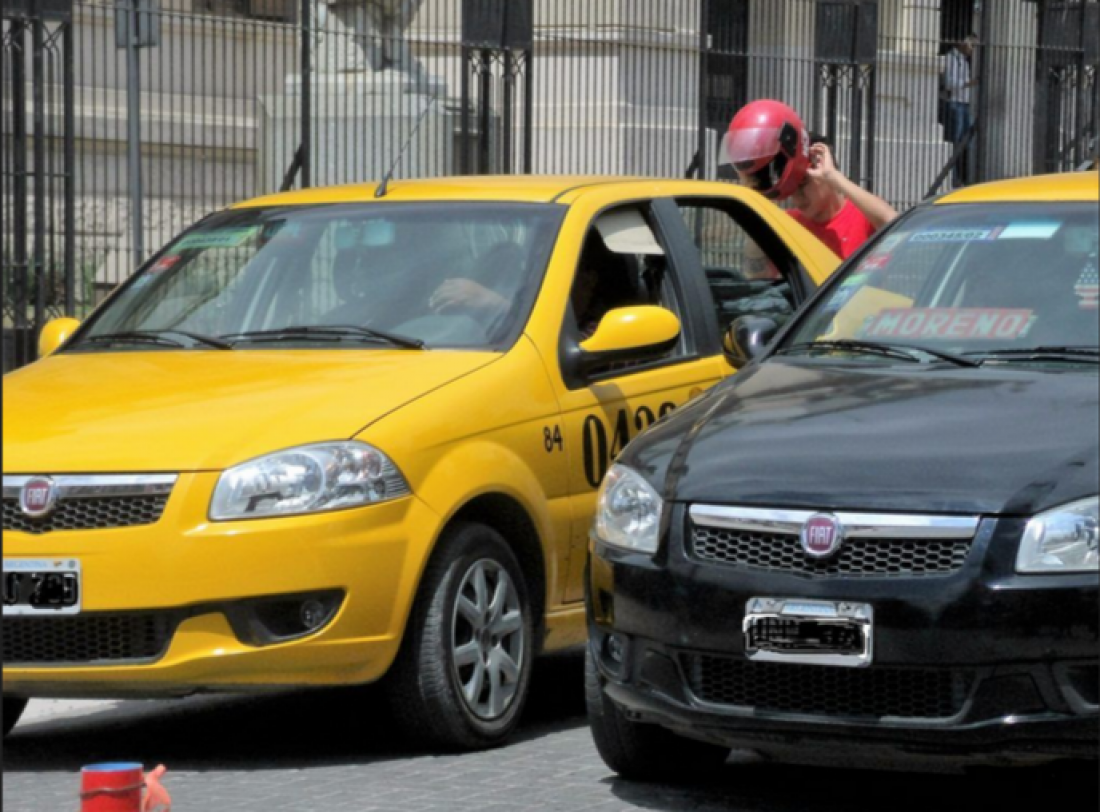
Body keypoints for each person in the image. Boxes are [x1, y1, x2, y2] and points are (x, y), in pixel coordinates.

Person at [723, 99, 897, 260]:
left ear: (823, 167)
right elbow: (756, 269)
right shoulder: (789, 224)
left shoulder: (864, 214)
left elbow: (894, 224)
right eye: (790, 187)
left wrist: (833, 176)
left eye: (802, 183)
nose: (797, 196)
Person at [943, 34, 979, 188]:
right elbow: (949, 83)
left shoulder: (964, 60)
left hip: (965, 104)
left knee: (965, 142)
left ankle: (963, 176)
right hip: (956, 103)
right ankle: (953, 177)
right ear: (963, 43)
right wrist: (967, 83)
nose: (973, 50)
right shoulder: (951, 58)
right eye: (972, 46)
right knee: (956, 141)